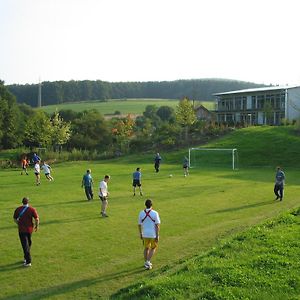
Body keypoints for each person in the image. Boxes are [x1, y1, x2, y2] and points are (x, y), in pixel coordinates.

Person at [13, 197, 39, 267]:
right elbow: (36, 219)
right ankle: (26, 258)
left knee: (25, 245)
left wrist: (19, 224)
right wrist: (37, 226)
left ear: (22, 202)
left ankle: (28, 261)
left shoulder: (18, 209)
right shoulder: (32, 209)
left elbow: (14, 219)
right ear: (28, 202)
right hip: (29, 229)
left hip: (21, 230)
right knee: (28, 243)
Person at [138, 199, 161, 270]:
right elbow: (157, 225)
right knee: (153, 248)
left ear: (145, 205)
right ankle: (147, 262)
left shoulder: (141, 213)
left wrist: (141, 233)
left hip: (145, 234)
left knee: (146, 248)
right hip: (153, 234)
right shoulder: (155, 213)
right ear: (152, 205)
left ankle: (146, 263)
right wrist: (157, 235)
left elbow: (139, 224)